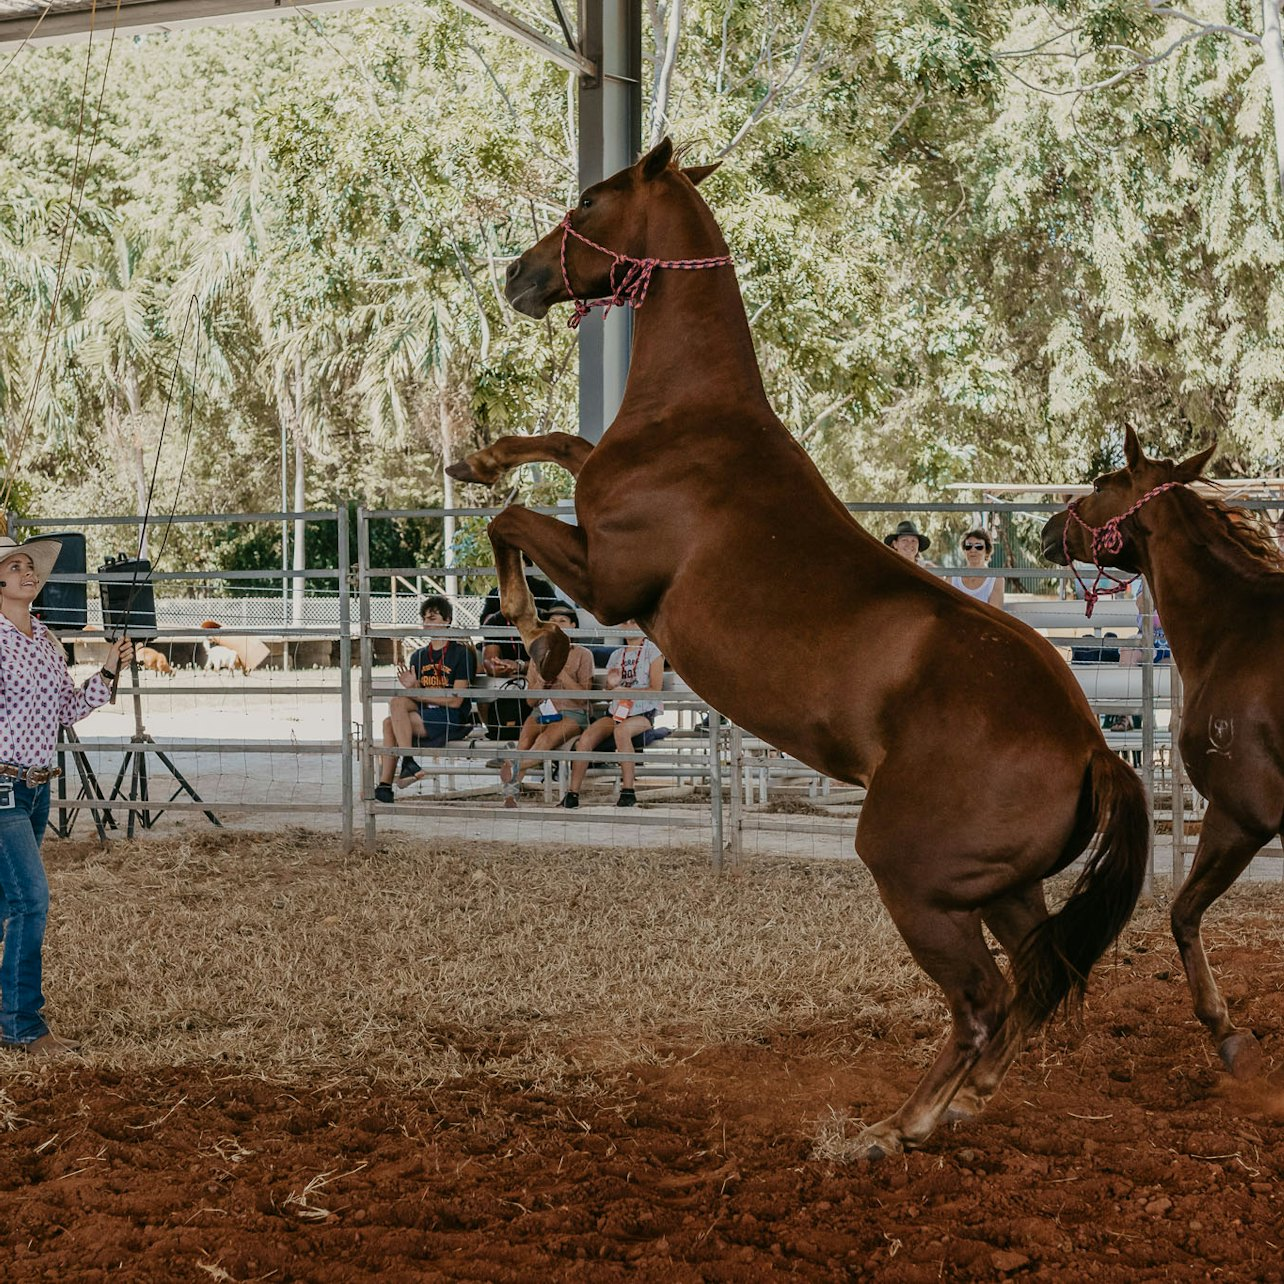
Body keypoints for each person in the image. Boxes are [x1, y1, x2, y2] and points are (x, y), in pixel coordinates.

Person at [0, 534, 133, 1058]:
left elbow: (66, 711)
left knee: (7, 906)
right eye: (15, 566)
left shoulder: (45, 637)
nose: (28, 573)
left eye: (30, 566)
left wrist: (107, 669)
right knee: (31, 901)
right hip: (2, 785)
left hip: (36, 787)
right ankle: (22, 1025)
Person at [374, 595, 476, 804]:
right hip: (426, 713)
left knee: (389, 724)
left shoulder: (461, 654)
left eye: (432, 618)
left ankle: (390, 781)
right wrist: (413, 687)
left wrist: (418, 693)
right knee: (395, 704)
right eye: (425, 619)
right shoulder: (418, 656)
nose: (427, 623)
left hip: (452, 718)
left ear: (447, 620)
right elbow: (420, 696)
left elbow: (456, 701)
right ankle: (404, 767)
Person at [559, 624, 665, 810]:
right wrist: (610, 685)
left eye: (633, 621)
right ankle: (572, 793)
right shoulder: (617, 655)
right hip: (616, 711)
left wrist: (627, 690)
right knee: (586, 739)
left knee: (622, 731)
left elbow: (655, 689)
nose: (629, 626)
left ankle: (628, 790)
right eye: (626, 622)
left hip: (642, 712)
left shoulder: (653, 651)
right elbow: (609, 693)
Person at [497, 603, 593, 807]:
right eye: (553, 622)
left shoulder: (583, 654)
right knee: (525, 739)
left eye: (562, 622)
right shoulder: (536, 656)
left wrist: (560, 673)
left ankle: (513, 765)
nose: (557, 626)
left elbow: (584, 698)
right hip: (542, 710)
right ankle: (511, 795)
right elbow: (530, 701)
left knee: (545, 738)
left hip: (572, 713)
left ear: (574, 626)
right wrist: (541, 681)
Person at [947, 528, 1004, 608]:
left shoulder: (996, 579)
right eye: (968, 546)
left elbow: (994, 614)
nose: (973, 550)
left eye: (979, 546)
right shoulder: (952, 578)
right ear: (964, 551)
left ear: (987, 551)